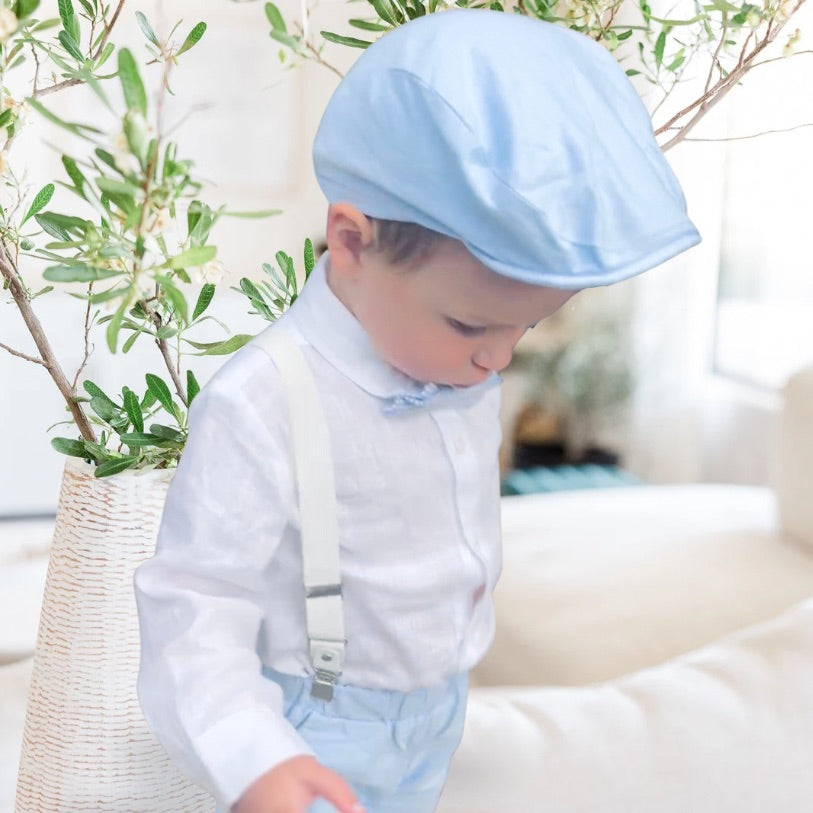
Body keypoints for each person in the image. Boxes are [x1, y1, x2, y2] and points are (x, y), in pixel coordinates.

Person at [134, 8, 701, 813]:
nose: (497, 359)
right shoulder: (262, 402)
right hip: (312, 723)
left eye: (526, 326)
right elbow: (194, 603)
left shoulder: (456, 354)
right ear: (352, 244)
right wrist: (252, 756)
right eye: (471, 325)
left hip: (436, 712)